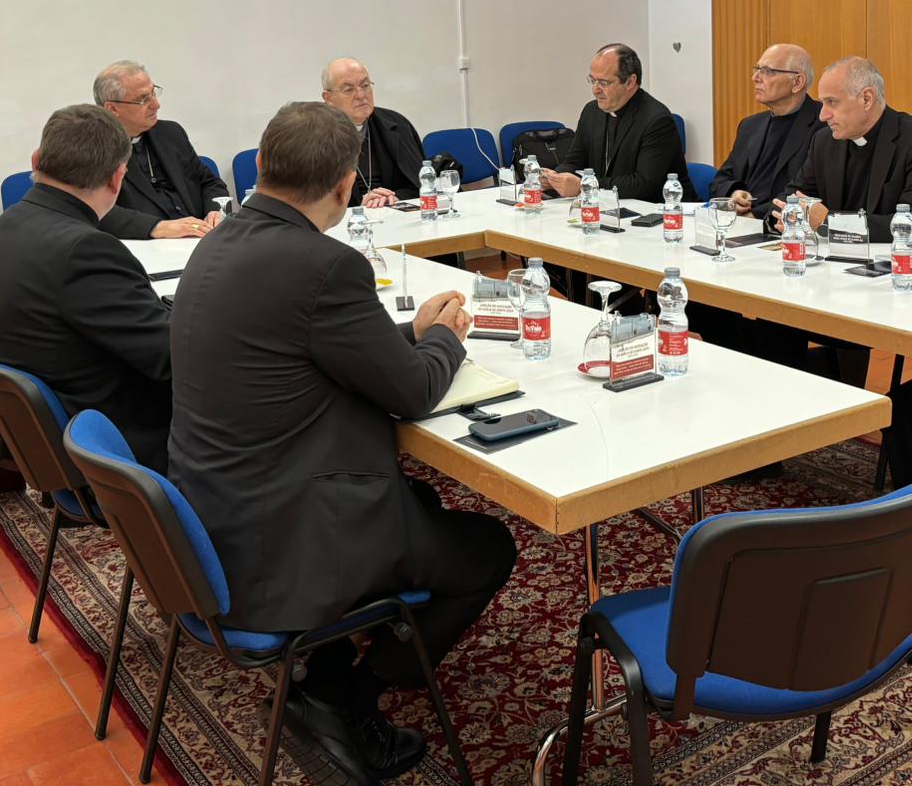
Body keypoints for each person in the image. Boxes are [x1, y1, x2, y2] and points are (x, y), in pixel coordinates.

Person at [169, 101, 516, 785]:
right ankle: (343, 695)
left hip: (215, 507)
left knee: (417, 495)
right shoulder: (326, 264)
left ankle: (328, 657)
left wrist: (409, 338)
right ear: (346, 185)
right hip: (290, 529)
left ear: (263, 164)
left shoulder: (220, 240)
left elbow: (310, 346)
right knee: (488, 548)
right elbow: (413, 393)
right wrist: (446, 338)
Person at [0, 105, 174, 472]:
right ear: (117, 177)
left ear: (36, 161)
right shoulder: (84, 249)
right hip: (116, 441)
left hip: (51, 430)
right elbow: (169, 358)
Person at [772, 56, 912, 241]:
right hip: (833, 261)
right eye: (822, 103)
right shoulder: (824, 141)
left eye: (831, 102)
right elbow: (788, 199)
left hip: (898, 262)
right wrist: (788, 216)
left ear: (866, 99)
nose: (823, 115)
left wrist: (829, 223)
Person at [93, 60, 228, 240]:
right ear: (112, 109)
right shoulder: (94, 148)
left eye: (154, 93)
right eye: (143, 99)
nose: (156, 105)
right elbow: (94, 211)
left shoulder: (171, 133)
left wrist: (215, 212)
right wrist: (156, 227)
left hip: (199, 241)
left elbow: (210, 183)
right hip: (147, 250)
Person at [544, 43, 695, 202]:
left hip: (658, 213)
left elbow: (644, 184)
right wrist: (556, 178)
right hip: (608, 207)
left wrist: (585, 186)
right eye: (592, 80)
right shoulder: (591, 111)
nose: (595, 90)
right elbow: (575, 161)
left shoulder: (657, 120)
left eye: (604, 83)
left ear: (630, 82)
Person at [710, 44, 825, 218]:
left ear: (797, 82)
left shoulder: (824, 125)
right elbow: (721, 179)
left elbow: (806, 192)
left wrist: (756, 215)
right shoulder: (749, 125)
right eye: (757, 69)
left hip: (781, 227)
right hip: (739, 223)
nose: (755, 77)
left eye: (768, 71)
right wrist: (734, 193)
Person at [322, 57, 431, 208]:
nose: (361, 95)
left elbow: (420, 183)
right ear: (329, 99)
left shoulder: (397, 125)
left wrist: (392, 198)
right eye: (348, 89)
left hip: (394, 214)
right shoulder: (313, 137)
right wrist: (359, 204)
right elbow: (311, 201)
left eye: (365, 85)